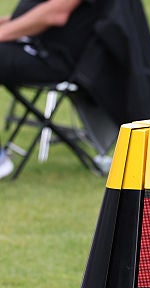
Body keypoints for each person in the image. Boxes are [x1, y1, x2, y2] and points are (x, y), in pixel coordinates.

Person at [0, 0, 108, 177]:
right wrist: (7, 23)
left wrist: (3, 32)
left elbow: (55, 14)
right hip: (32, 46)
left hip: (56, 60)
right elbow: (35, 13)